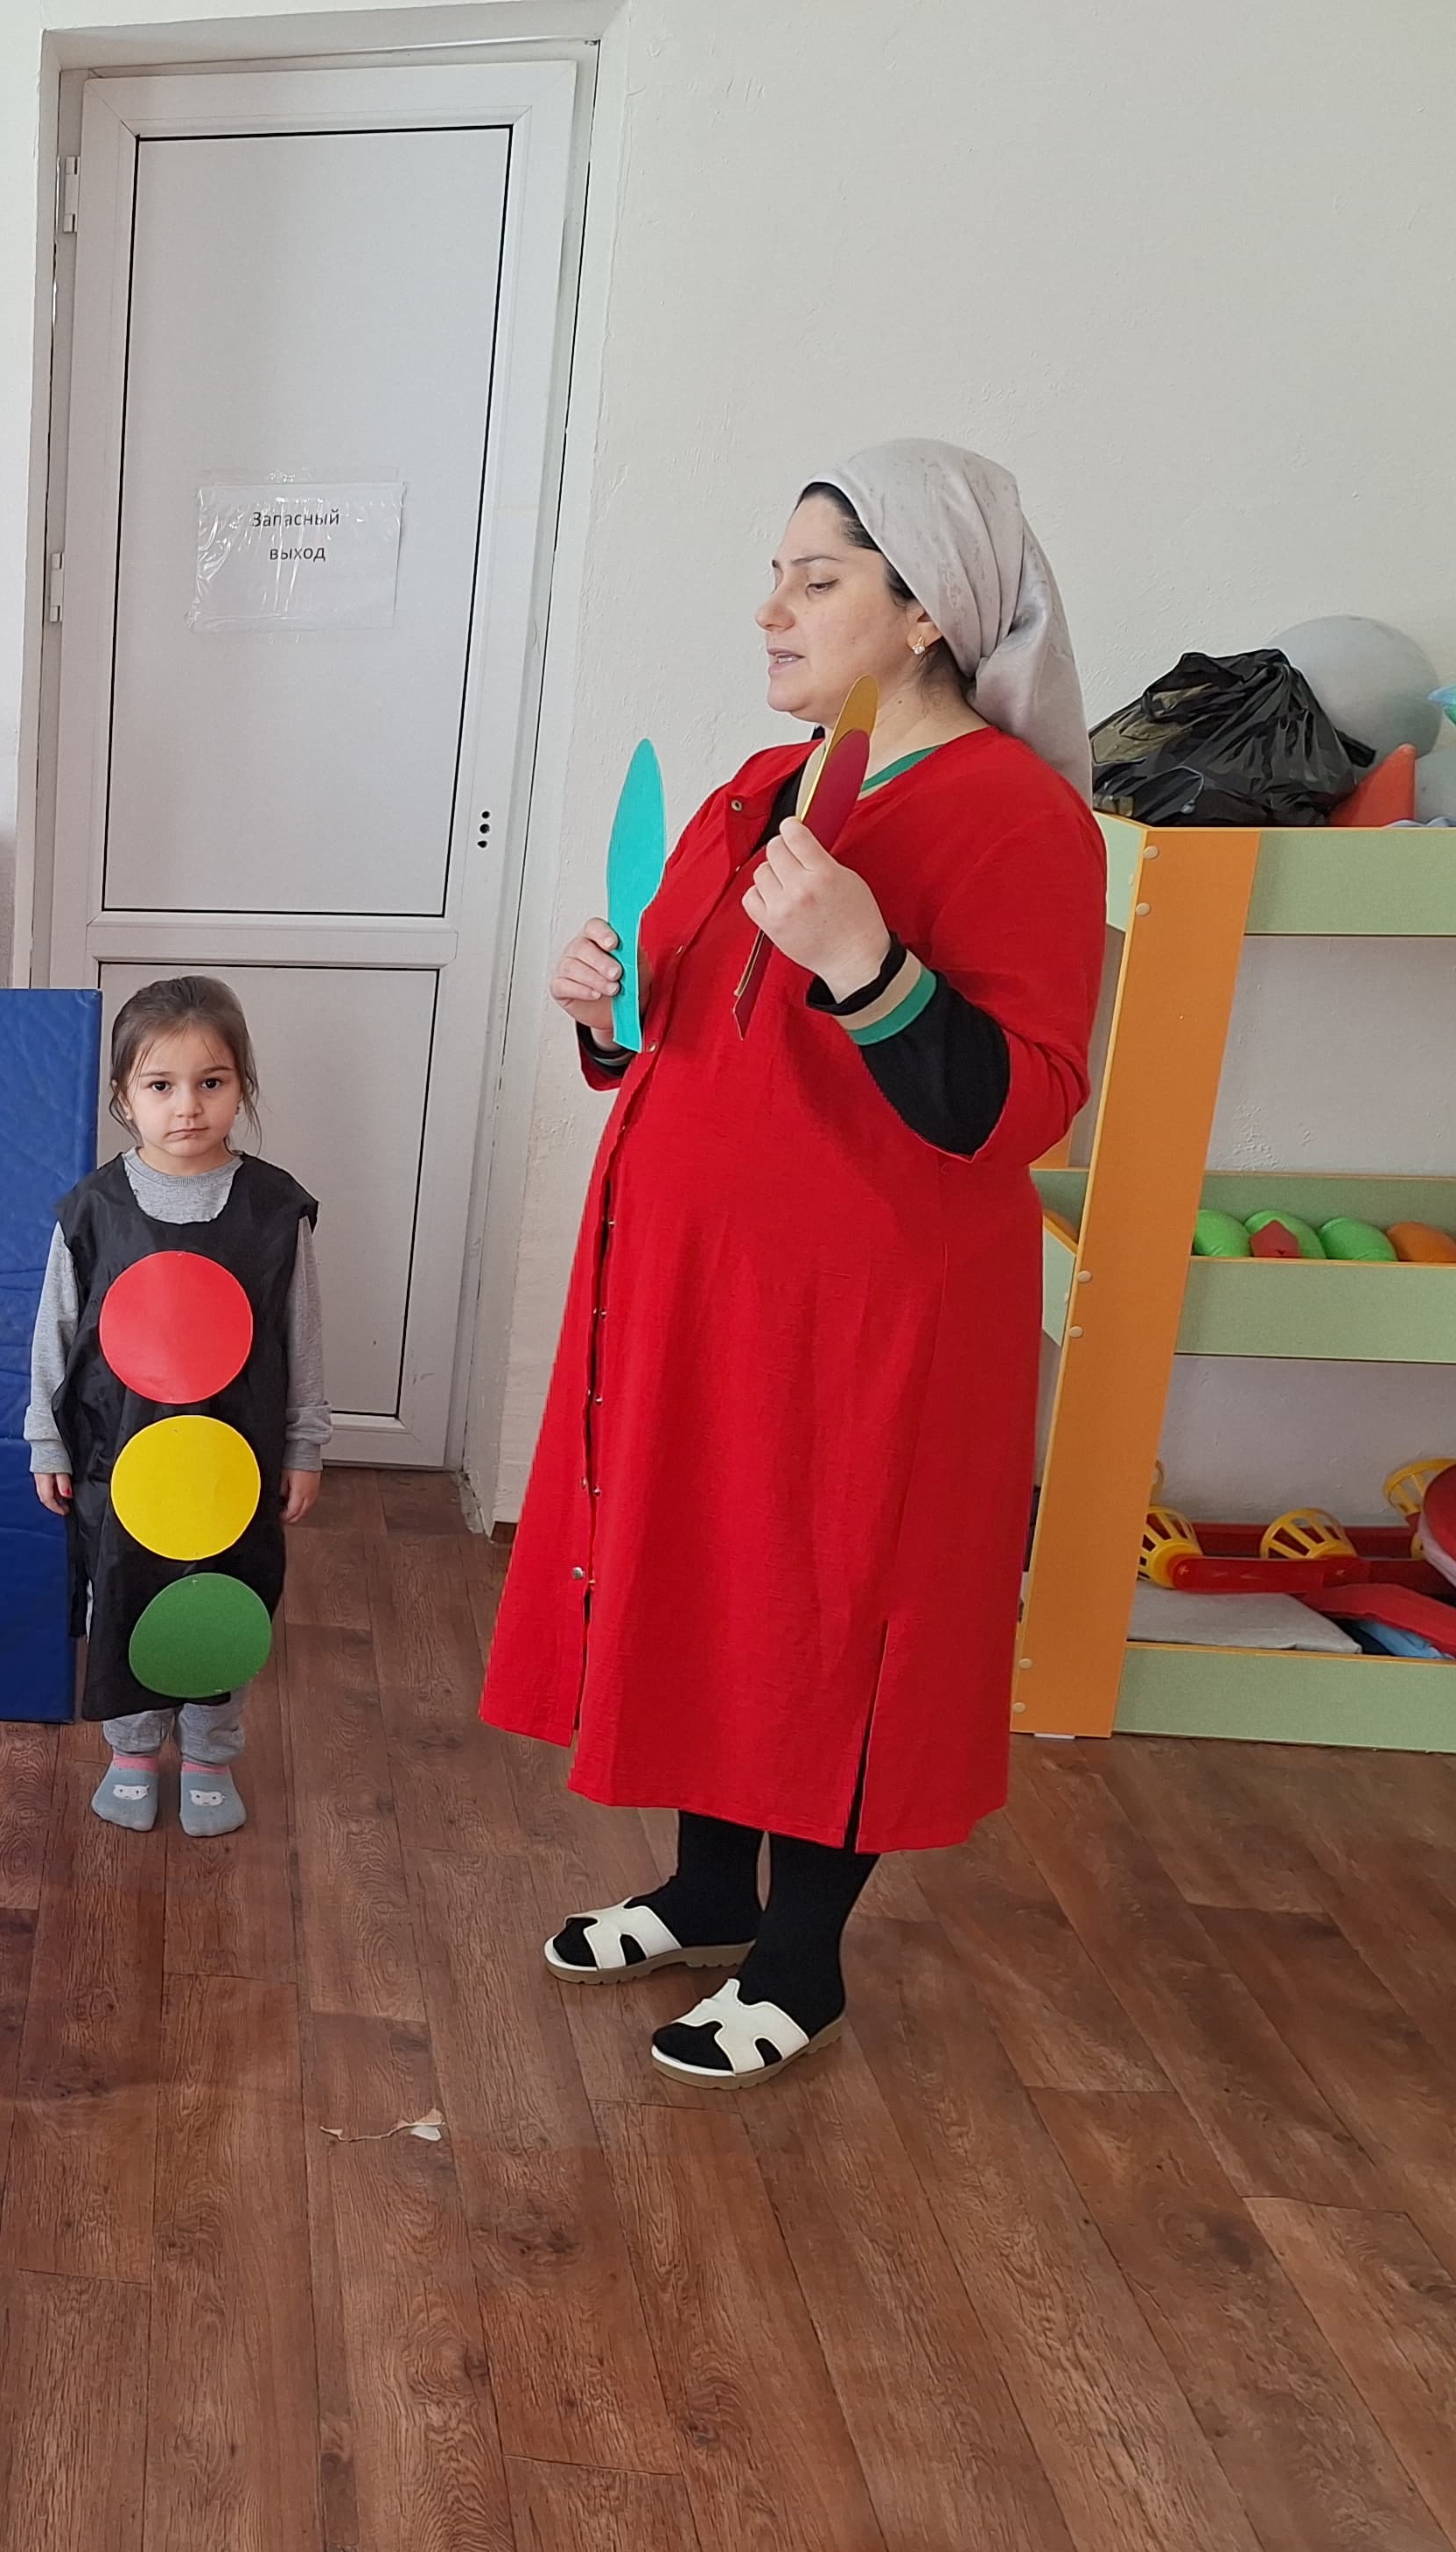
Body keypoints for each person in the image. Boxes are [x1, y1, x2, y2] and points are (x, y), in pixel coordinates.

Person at [487, 438, 1104, 2086]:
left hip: (872, 1321)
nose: (772, 610)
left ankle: (802, 1961)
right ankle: (707, 1893)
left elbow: (1019, 1105)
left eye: (816, 580)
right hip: (696, 1297)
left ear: (927, 611)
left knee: (836, 1604)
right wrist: (603, 1008)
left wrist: (869, 963)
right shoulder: (760, 791)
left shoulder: (1022, 820)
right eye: (776, 577)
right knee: (714, 1577)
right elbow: (685, 1035)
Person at [28, 977, 326, 1838]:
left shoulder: (274, 1211)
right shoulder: (93, 1211)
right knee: (122, 1594)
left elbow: (302, 1333)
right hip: (119, 1457)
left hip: (233, 1462)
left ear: (242, 1087)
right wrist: (45, 1438)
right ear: (124, 1096)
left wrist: (304, 1443)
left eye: (211, 1082)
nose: (187, 1106)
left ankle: (208, 1754)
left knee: (222, 1600)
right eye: (160, 1085)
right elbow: (54, 1330)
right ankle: (130, 1750)